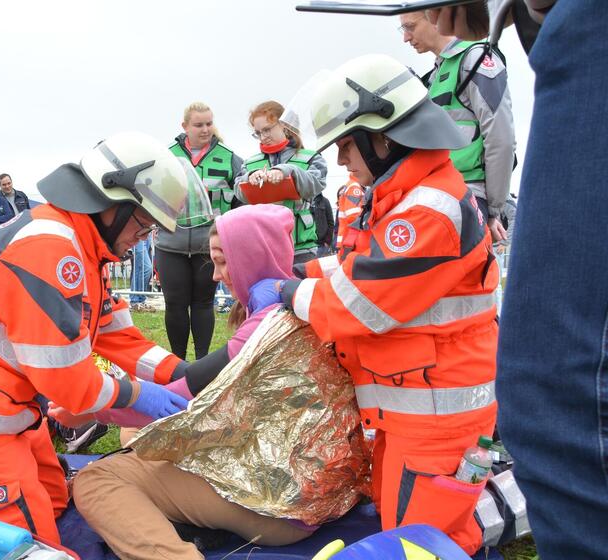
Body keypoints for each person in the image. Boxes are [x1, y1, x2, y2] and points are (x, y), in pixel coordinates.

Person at [0, 132, 206, 543]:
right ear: (113, 205)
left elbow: (121, 338)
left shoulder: (86, 248)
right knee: (28, 543)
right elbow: (67, 381)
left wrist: (185, 376)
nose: (142, 239)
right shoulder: (50, 247)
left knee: (56, 499)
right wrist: (136, 396)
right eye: (144, 225)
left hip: (0, 406)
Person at [252, 54, 498, 555]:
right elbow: (363, 267)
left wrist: (286, 291)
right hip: (411, 414)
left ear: (383, 137)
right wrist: (306, 272)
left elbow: (360, 306)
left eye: (346, 143)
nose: (342, 159)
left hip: (433, 423)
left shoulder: (428, 210)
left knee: (424, 546)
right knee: (408, 534)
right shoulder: (407, 198)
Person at [428, 2, 608, 558]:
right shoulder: (442, 71)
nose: (407, 31)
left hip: (471, 204)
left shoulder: (475, 61)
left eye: (411, 22)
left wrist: (496, 204)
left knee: (556, 390)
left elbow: (498, 134)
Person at [74, 204, 324, 559]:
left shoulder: (264, 324)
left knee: (96, 481)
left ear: (251, 256)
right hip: (303, 485)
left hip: (274, 501)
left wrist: (92, 410)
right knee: (136, 437)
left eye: (223, 261)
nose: (214, 276)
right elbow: (199, 380)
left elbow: (186, 399)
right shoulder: (291, 305)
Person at [399, 10, 515, 241]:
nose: (405, 37)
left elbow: (501, 139)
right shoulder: (437, 74)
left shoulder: (476, 60)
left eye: (410, 26)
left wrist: (494, 209)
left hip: (469, 199)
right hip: (442, 196)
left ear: (433, 16)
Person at [158, 102, 244, 359]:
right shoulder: (166, 154)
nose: (205, 129)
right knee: (174, 304)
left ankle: (202, 361)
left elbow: (241, 199)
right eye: (198, 125)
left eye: (209, 123)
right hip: (170, 244)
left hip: (209, 245)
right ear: (185, 127)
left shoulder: (229, 157)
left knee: (203, 303)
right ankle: (177, 362)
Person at [234, 101, 328, 264]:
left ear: (284, 125)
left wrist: (288, 170)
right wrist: (249, 178)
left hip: (301, 249)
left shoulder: (311, 158)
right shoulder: (249, 164)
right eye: (258, 133)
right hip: (263, 249)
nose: (263, 137)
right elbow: (238, 191)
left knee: (299, 290)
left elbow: (316, 183)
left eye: (267, 129)